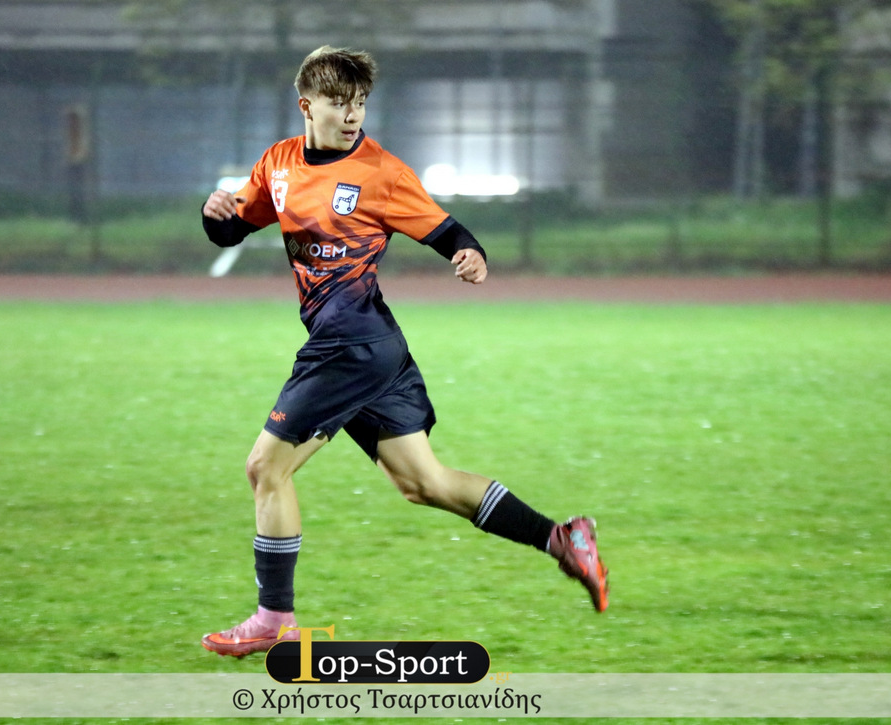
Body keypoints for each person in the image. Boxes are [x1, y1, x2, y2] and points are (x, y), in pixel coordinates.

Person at [200, 46, 608, 657]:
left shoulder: (382, 172)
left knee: (267, 467)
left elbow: (446, 230)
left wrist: (470, 254)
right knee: (424, 483)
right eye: (339, 103)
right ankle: (562, 539)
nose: (352, 115)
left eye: (360, 103)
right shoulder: (278, 163)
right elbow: (233, 227)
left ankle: (274, 618)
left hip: (350, 345)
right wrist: (214, 214)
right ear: (307, 106)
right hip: (374, 350)